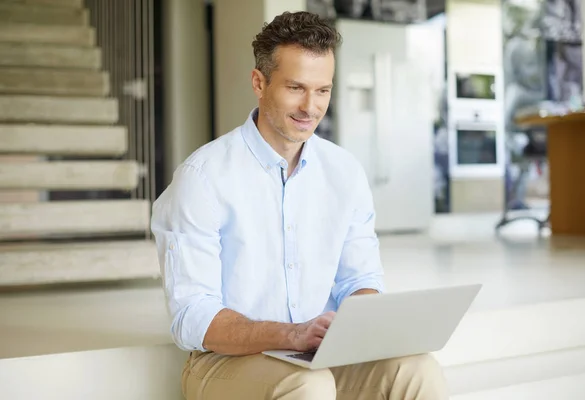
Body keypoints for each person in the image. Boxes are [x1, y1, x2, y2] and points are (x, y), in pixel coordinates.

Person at [151, 10, 448, 400]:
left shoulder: (345, 172)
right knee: (307, 385)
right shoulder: (203, 178)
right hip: (225, 363)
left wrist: (357, 326)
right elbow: (193, 318)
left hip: (320, 359)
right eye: (296, 88)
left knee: (418, 370)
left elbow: (360, 281)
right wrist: (292, 334)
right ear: (259, 83)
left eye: (322, 90)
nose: (311, 107)